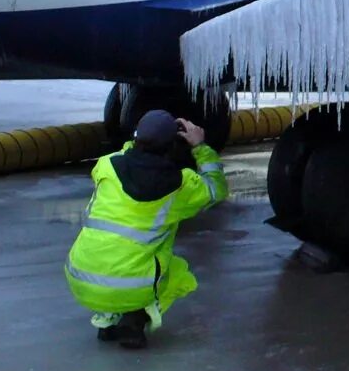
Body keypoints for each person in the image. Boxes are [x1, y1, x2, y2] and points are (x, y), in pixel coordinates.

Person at [64, 109, 227, 349]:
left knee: (117, 252)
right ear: (173, 146)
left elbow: (127, 153)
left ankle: (106, 319)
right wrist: (199, 146)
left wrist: (147, 135)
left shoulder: (106, 165)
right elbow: (217, 189)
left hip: (79, 276)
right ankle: (134, 319)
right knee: (176, 271)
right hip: (131, 287)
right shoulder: (180, 186)